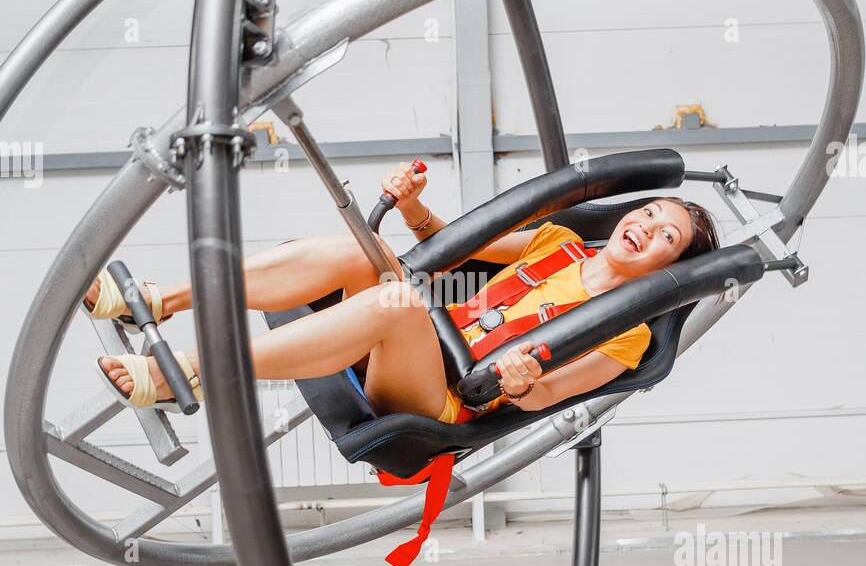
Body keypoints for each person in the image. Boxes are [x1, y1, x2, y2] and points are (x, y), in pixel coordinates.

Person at [86, 161, 719, 417]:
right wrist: (417, 206)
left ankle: (189, 371)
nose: (645, 226)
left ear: (672, 267)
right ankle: (159, 299)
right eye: (650, 212)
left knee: (400, 301)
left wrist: (526, 383)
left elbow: (550, 396)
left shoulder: (629, 331)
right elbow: (448, 246)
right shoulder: (557, 244)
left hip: (446, 397)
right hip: (420, 336)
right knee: (355, 251)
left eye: (667, 235)